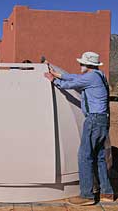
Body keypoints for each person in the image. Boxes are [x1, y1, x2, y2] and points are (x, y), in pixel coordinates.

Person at [44, 51, 114, 206]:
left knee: (85, 157)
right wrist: (58, 74)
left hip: (94, 120)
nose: (80, 65)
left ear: (88, 65)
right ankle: (107, 192)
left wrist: (53, 80)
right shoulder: (99, 75)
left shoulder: (90, 77)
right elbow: (75, 78)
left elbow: (70, 84)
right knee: (100, 157)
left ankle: (87, 195)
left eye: (82, 63)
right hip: (103, 120)